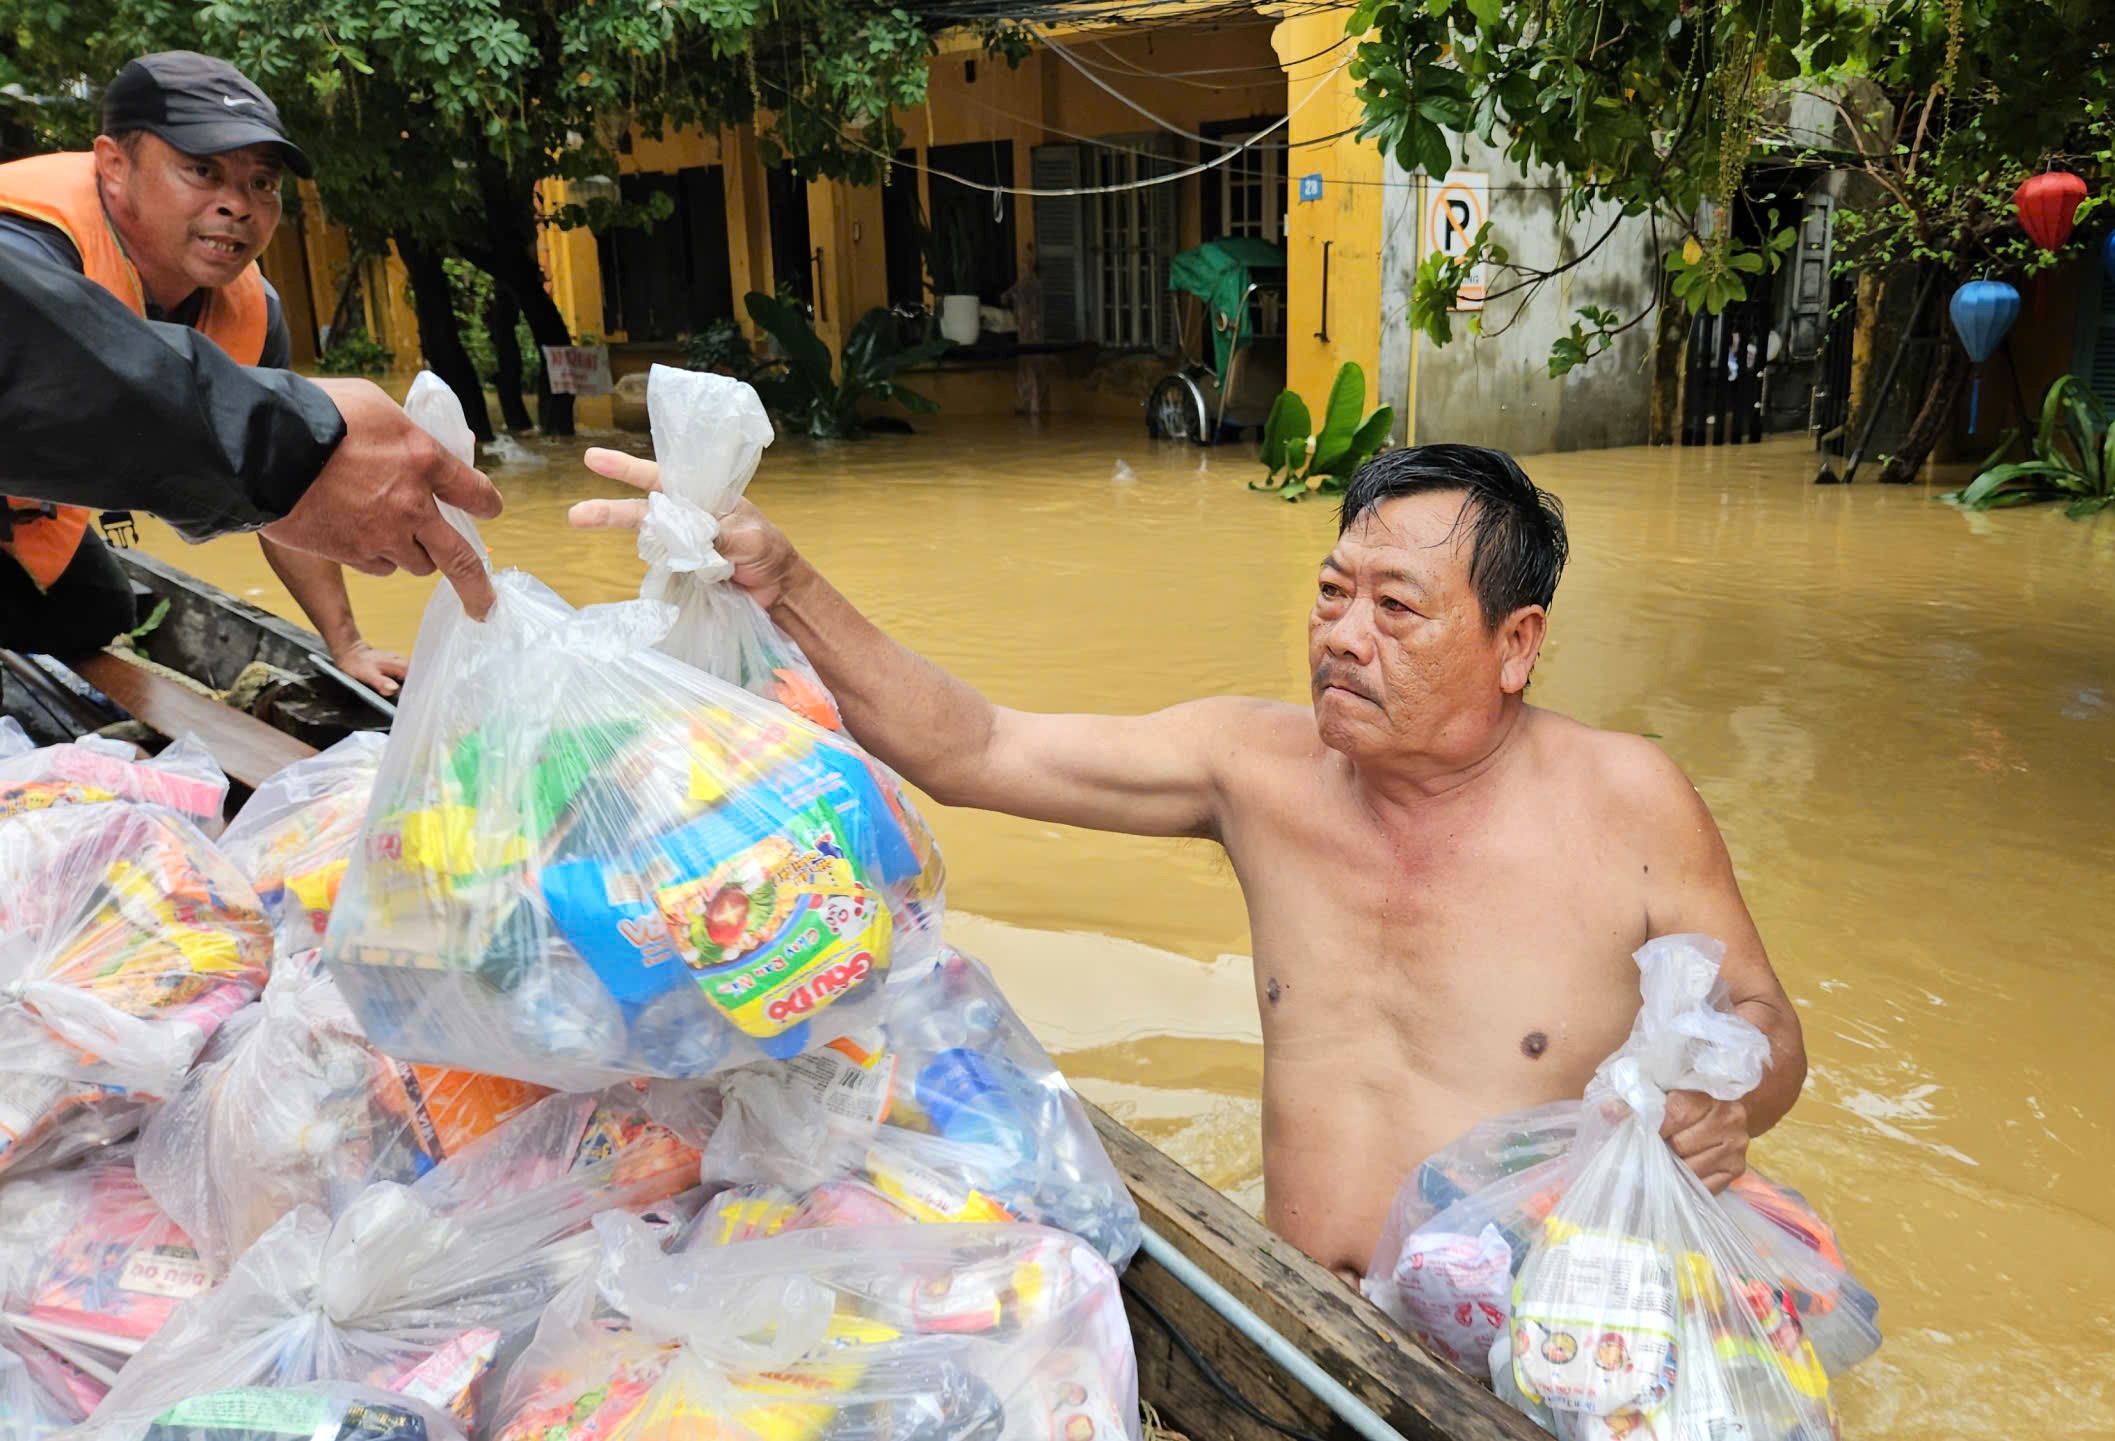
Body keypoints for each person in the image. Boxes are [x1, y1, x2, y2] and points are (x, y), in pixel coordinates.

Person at [572, 442, 1807, 1280]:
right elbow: (978, 748)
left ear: (1515, 643)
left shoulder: (1627, 797)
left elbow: (1762, 1017)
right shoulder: (1252, 769)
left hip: (1531, 1336)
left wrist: (1726, 1105)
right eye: (1331, 592)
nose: (1339, 636)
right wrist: (783, 582)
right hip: (1295, 1324)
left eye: (1395, 607)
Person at [0, 52, 443, 675]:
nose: (238, 205)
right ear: (114, 166)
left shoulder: (253, 312)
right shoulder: (24, 243)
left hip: (32, 506)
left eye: (261, 183)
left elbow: (288, 490)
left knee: (100, 611)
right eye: (202, 171)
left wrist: (349, 645)